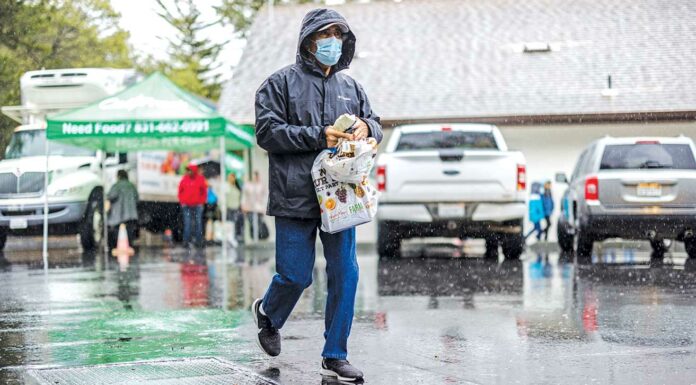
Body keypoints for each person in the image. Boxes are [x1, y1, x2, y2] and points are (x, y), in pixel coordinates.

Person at [251, 8, 383, 382]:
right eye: (326, 34)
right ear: (308, 40)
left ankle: (335, 354)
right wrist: (317, 135)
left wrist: (366, 125)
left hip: (341, 198)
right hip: (295, 195)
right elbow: (267, 133)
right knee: (296, 275)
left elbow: (376, 124)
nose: (332, 42)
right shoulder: (278, 84)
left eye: (339, 34)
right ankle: (269, 314)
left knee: (346, 273)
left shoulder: (351, 88)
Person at [107, 170, 139, 249]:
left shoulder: (116, 186)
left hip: (119, 215)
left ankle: (117, 247)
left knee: (117, 233)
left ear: (119, 176)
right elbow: (137, 199)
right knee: (129, 232)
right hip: (131, 214)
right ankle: (129, 245)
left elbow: (111, 196)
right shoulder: (132, 186)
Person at [178, 164, 207, 248]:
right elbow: (180, 191)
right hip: (186, 205)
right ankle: (186, 241)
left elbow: (204, 192)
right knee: (188, 224)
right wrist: (182, 202)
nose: (188, 172)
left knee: (198, 223)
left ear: (194, 171)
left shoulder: (200, 179)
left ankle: (199, 241)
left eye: (189, 170)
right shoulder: (184, 179)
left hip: (197, 205)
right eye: (187, 170)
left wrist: (202, 202)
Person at [241, 171, 269, 240]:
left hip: (259, 208)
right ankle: (255, 237)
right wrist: (243, 205)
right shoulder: (247, 185)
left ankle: (259, 236)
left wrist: (264, 207)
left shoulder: (261, 185)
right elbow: (244, 196)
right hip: (249, 208)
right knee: (253, 223)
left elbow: (265, 197)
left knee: (258, 222)